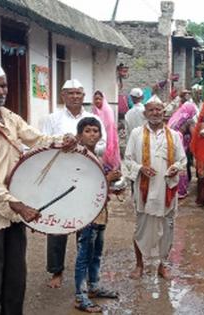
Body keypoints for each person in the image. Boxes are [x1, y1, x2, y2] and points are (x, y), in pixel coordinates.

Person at [0, 63, 77, 315]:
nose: (0, 90)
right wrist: (16, 203)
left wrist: (62, 140)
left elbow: (36, 139)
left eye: (3, 85)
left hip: (14, 212)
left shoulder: (9, 117)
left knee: (16, 281)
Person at [43, 79, 106, 288]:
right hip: (60, 178)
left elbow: (104, 144)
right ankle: (56, 271)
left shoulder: (93, 118)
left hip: (86, 177)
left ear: (83, 95)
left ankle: (85, 271)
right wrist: (64, 143)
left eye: (79, 93)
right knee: (57, 226)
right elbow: (43, 142)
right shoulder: (52, 118)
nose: (75, 97)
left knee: (85, 224)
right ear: (63, 96)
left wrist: (83, 144)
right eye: (70, 93)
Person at [124, 95, 186, 280]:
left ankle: (162, 265)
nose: (155, 113)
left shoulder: (173, 135)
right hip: (145, 190)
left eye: (158, 109)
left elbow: (182, 160)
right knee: (141, 228)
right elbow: (127, 159)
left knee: (167, 229)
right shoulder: (136, 134)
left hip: (165, 189)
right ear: (145, 113)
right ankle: (139, 265)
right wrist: (140, 168)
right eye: (151, 110)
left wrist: (175, 168)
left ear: (164, 112)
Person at [74, 117, 120, 313]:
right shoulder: (79, 157)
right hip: (85, 214)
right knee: (84, 254)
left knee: (96, 253)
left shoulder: (97, 157)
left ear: (100, 135)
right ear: (79, 135)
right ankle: (80, 295)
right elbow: (79, 186)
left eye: (95, 131)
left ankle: (93, 286)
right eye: (87, 131)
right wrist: (107, 178)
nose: (92, 134)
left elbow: (100, 187)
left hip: (100, 212)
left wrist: (111, 186)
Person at [168, 99, 197, 198]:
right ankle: (181, 191)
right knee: (181, 165)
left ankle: (171, 188)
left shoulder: (176, 116)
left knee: (172, 164)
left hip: (170, 141)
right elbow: (194, 136)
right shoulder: (189, 120)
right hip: (179, 142)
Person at [92, 90, 121, 169]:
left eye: (99, 99)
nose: (97, 101)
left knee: (108, 162)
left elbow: (110, 128)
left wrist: (108, 143)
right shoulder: (94, 111)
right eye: (95, 99)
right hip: (96, 139)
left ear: (103, 99)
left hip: (108, 138)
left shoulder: (107, 110)